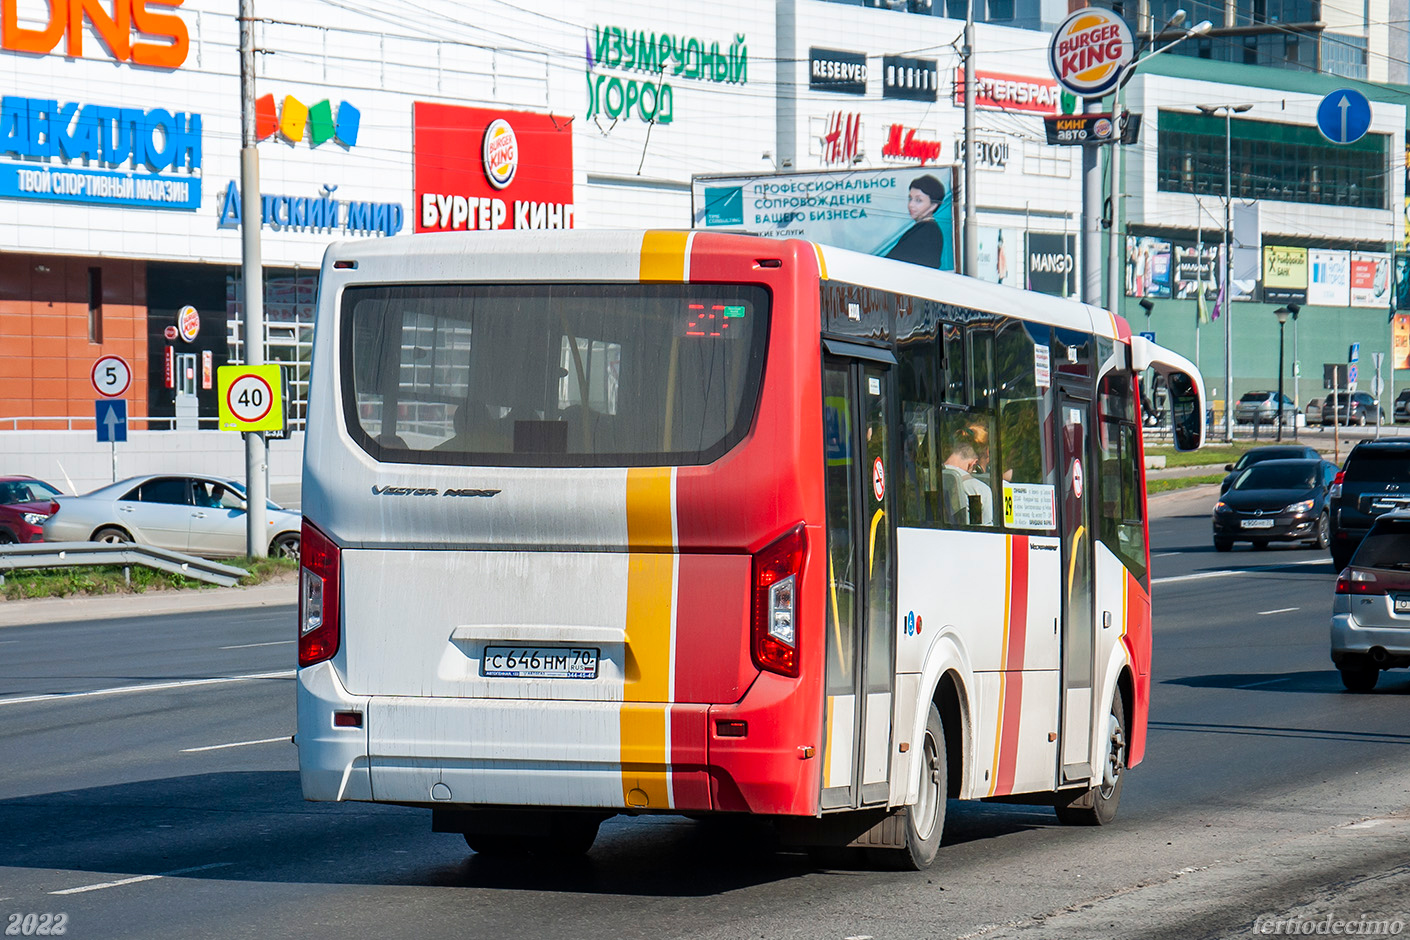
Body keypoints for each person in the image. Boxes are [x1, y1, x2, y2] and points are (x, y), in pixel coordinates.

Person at [885, 175, 946, 269]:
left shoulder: (926, 231)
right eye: (910, 199)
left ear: (933, 205)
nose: (911, 205)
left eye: (918, 200)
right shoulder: (927, 228)